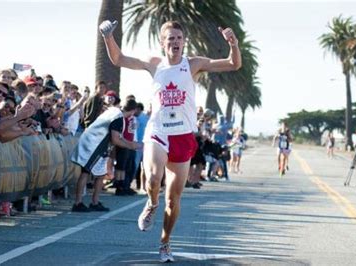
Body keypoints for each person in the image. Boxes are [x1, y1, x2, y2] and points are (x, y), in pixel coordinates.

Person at [99, 19, 241, 262]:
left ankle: (165, 242)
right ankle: (151, 203)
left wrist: (233, 44)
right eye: (170, 38)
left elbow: (233, 64)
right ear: (162, 43)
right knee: (153, 178)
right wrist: (107, 37)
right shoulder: (155, 64)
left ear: (184, 41)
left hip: (183, 136)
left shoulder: (193, 64)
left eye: (179, 38)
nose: (175, 42)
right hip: (158, 132)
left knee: (174, 199)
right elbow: (119, 59)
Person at [70, 98, 142, 212]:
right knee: (85, 172)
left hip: (98, 143)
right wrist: (132, 145)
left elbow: (117, 137)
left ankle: (95, 201)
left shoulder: (114, 110)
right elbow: (115, 140)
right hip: (93, 144)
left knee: (101, 173)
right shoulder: (118, 118)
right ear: (133, 111)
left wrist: (130, 144)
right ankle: (78, 203)